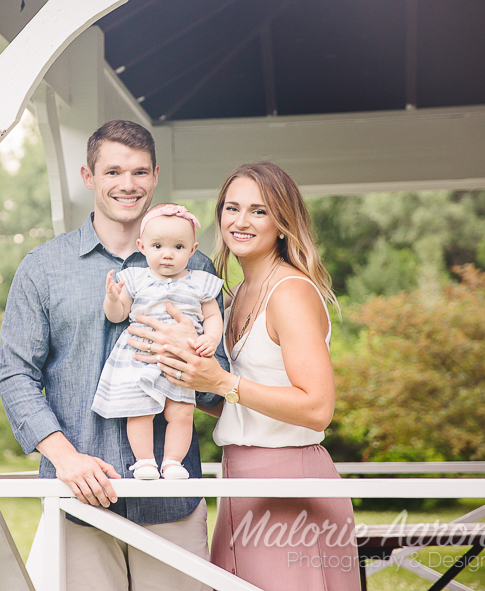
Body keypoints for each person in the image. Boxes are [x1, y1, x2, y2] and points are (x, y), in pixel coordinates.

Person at [0, 120, 227, 590]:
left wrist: (193, 362)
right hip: (78, 497)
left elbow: (219, 387)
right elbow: (16, 376)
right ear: (88, 176)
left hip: (170, 500)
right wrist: (65, 458)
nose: (128, 184)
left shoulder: (197, 268)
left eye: (140, 172)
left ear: (156, 176)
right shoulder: (43, 268)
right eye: (113, 172)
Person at [148, 162, 358, 590]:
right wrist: (185, 370)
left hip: (291, 485)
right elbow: (239, 403)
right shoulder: (235, 294)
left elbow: (318, 408)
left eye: (259, 211)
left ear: (283, 223)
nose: (240, 222)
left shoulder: (292, 293)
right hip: (238, 480)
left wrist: (222, 383)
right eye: (231, 208)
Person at [93, 204, 224, 481]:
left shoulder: (200, 282)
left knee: (181, 413)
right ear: (142, 246)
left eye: (178, 247)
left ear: (193, 249)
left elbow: (213, 315)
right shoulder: (136, 279)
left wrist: (210, 338)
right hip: (139, 359)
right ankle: (144, 462)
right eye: (157, 246)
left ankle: (173, 462)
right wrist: (113, 299)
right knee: (139, 412)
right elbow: (118, 316)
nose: (167, 254)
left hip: (181, 360)